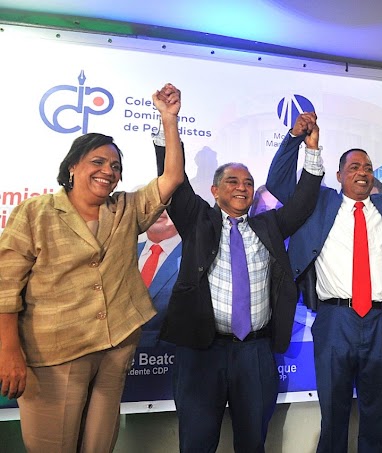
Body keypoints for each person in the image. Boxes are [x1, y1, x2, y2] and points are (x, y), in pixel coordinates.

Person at [0, 82, 184, 452]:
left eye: (115, 166)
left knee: (99, 445)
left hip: (115, 349)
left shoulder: (125, 209)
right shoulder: (35, 213)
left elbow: (172, 178)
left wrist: (169, 119)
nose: (108, 171)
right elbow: (5, 287)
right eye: (97, 162)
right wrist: (8, 350)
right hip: (54, 354)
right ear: (72, 167)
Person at [266, 112, 382, 453]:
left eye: (367, 167)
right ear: (338, 175)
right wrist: (295, 139)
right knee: (334, 412)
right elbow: (278, 184)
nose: (362, 172)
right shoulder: (319, 203)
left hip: (381, 321)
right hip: (335, 320)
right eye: (354, 167)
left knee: (374, 413)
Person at [154, 114, 324, 453]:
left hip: (255, 353)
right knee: (197, 443)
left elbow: (303, 203)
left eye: (248, 182)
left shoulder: (269, 225)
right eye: (232, 181)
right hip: (202, 352)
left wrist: (311, 149)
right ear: (215, 191)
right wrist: (168, 122)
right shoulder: (197, 219)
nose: (242, 187)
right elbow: (174, 182)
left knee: (252, 443)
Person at [137, 210, 182, 347]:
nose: (158, 209)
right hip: (122, 354)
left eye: (166, 204)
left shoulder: (195, 254)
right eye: (149, 204)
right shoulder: (124, 252)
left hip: (171, 353)